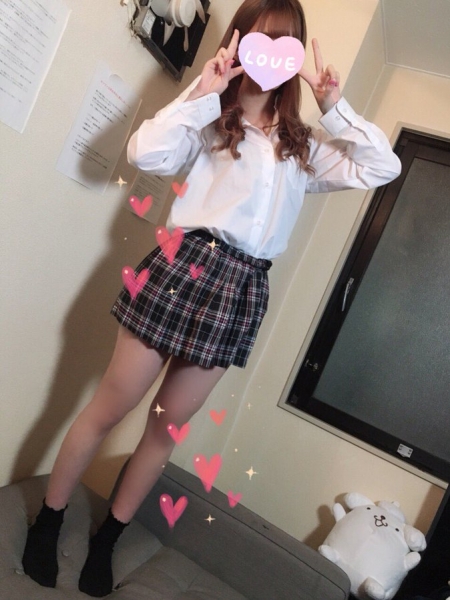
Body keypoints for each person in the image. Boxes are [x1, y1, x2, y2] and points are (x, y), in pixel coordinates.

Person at [22, 0, 402, 596]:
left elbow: (383, 166)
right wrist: (203, 90)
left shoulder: (303, 146)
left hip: (243, 286)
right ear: (239, 40)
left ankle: (108, 540)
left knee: (165, 428)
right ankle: (48, 521)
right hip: (185, 264)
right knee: (109, 408)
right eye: (260, 38)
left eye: (285, 42)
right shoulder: (209, 117)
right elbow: (143, 153)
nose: (270, 54)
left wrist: (334, 104)